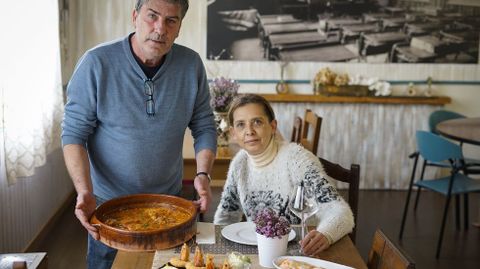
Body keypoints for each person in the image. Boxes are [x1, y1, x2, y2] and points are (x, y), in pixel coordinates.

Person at [61, 0, 217, 268]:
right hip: (108, 207)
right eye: (152, 16)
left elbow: (204, 125)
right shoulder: (96, 63)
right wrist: (84, 191)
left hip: (171, 204)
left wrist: (203, 174)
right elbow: (73, 134)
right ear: (135, 16)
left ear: (179, 27)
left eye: (171, 20)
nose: (160, 29)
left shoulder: (191, 65)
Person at [213, 94, 354, 256]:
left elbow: (342, 213)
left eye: (257, 122)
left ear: (273, 126)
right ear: (233, 133)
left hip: (305, 253)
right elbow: (225, 218)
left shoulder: (297, 159)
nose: (249, 131)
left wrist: (326, 234)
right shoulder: (239, 163)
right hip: (261, 252)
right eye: (240, 125)